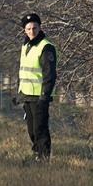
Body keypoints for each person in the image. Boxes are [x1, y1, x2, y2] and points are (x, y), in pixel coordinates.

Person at [17, 13, 57, 161]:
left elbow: (49, 75)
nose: (31, 31)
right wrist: (19, 93)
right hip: (27, 94)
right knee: (32, 130)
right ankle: (36, 154)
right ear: (24, 30)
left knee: (40, 129)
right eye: (28, 29)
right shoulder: (25, 45)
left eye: (34, 28)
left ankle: (43, 157)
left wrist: (44, 97)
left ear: (40, 28)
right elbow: (23, 70)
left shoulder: (46, 47)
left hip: (39, 96)